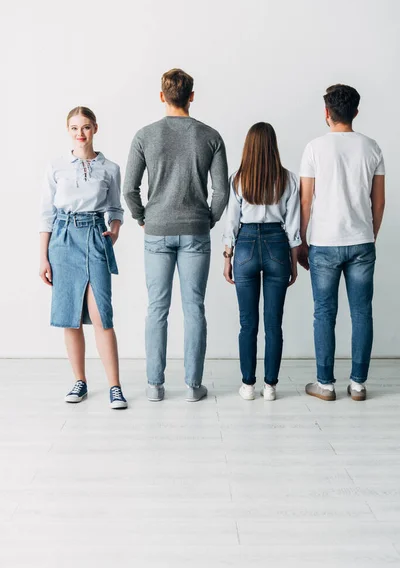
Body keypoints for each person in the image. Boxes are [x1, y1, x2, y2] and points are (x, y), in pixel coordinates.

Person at [124, 68, 229, 402]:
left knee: (157, 307)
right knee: (194, 307)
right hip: (196, 230)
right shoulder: (210, 136)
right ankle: (193, 387)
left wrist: (143, 217)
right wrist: (206, 220)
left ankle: (155, 386)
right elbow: (222, 192)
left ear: (161, 96)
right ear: (192, 97)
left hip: (157, 230)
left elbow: (129, 189)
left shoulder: (145, 135)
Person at [298, 84, 385, 401]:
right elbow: (379, 202)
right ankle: (359, 385)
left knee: (324, 313)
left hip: (323, 241)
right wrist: (369, 235)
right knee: (362, 313)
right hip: (361, 240)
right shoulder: (372, 147)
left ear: (327, 113)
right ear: (356, 112)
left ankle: (325, 384)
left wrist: (301, 241)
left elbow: (305, 201)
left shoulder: (314, 148)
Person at [39, 106, 128, 409]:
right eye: (75, 128)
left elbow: (115, 209)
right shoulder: (56, 166)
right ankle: (80, 380)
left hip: (94, 236)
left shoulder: (110, 168)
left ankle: (115, 386)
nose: (81, 133)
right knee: (71, 317)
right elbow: (46, 215)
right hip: (62, 240)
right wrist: (43, 258)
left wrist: (113, 232)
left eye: (86, 127)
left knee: (102, 314)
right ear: (68, 130)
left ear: (95, 129)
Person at [223, 122, 301, 401]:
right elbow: (293, 226)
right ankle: (270, 386)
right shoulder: (289, 179)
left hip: (244, 245)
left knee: (247, 323)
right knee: (273, 322)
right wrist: (293, 262)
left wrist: (227, 257)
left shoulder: (237, 179)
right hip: (277, 245)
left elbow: (231, 222)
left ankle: (248, 385)